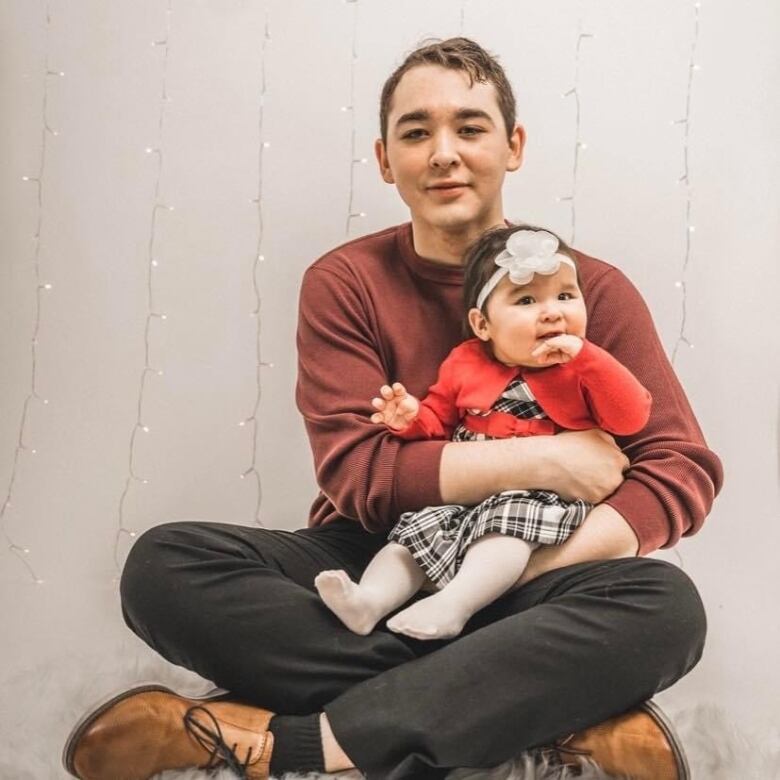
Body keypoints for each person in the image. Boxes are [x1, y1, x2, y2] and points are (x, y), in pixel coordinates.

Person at [64, 37, 722, 780]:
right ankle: (529, 714)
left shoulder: (588, 292)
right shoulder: (345, 281)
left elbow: (677, 469)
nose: (444, 152)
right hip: (380, 551)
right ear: (385, 159)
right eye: (416, 132)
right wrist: (549, 458)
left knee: (664, 607)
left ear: (514, 145)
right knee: (166, 565)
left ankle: (283, 741)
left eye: (470, 128)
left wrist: (507, 580)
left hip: (531, 557)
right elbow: (361, 476)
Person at [315, 225, 652, 641]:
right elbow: (438, 421)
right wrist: (410, 418)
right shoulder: (465, 362)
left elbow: (632, 417)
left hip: (536, 504)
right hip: (467, 499)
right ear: (483, 324)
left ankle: (453, 605)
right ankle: (369, 602)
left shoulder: (581, 370)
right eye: (526, 300)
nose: (552, 312)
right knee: (412, 538)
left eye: (565, 296)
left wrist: (590, 359)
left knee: (503, 538)